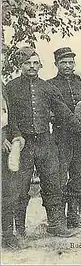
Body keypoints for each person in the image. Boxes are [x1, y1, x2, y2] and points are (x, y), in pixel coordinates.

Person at [6, 47, 81, 238]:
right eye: (27, 63)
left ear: (40, 65)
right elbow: (9, 118)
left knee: (53, 184)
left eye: (35, 63)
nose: (32, 67)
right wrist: (15, 137)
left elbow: (65, 114)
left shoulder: (47, 88)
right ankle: (20, 230)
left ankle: (56, 225)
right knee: (20, 187)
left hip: (45, 143)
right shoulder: (11, 87)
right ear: (20, 65)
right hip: (23, 144)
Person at [47, 47, 81, 229]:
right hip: (61, 136)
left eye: (71, 62)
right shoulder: (49, 84)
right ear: (56, 64)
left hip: (80, 137)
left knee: (78, 176)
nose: (67, 66)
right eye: (63, 62)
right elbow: (47, 111)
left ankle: (73, 215)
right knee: (60, 176)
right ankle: (59, 217)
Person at [2, 80, 26, 249]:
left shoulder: (1, 84)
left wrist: (17, 135)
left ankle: (8, 235)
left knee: (9, 191)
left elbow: (10, 116)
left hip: (7, 145)